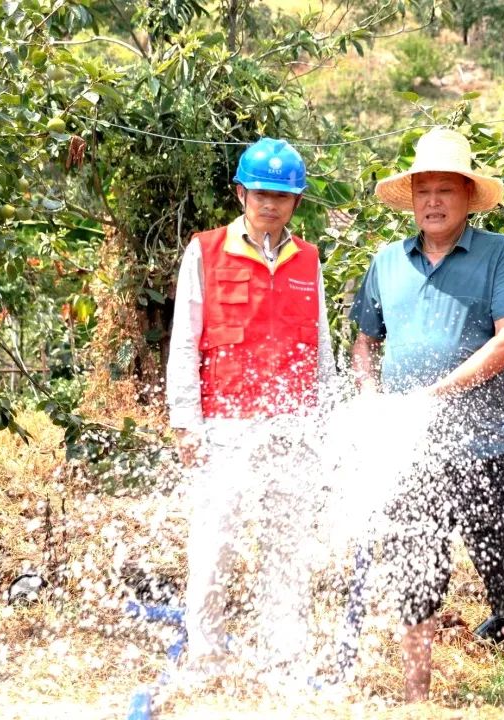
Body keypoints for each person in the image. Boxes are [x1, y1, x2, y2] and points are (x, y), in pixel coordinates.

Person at [349, 127, 504, 711]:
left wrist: (436, 392)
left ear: (468, 197)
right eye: (423, 190)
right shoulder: (387, 263)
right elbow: (365, 342)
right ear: (411, 198)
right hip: (409, 456)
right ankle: (416, 698)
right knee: (416, 579)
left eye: (446, 190)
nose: (433, 201)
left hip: (484, 448)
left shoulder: (500, 255)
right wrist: (369, 397)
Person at [165, 137, 334, 681]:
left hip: (294, 426)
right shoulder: (207, 250)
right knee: (215, 542)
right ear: (241, 193)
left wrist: (326, 423)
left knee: (287, 546)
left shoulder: (307, 258)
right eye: (260, 193)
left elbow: (322, 343)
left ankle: (284, 656)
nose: (269, 205)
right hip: (227, 426)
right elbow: (185, 340)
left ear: (296, 203)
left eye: (281, 197)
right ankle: (205, 654)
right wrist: (185, 422)